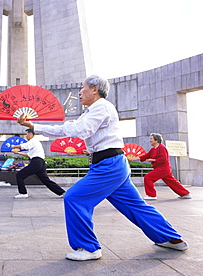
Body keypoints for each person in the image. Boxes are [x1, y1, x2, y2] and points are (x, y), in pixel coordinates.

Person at [16, 74, 188, 261]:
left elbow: (81, 131)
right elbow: (66, 130)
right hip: (110, 164)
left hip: (109, 165)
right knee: (134, 205)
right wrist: (33, 125)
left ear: (94, 90)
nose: (79, 93)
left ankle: (89, 248)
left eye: (82, 89)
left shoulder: (101, 107)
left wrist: (68, 126)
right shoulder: (91, 111)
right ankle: (171, 239)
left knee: (74, 198)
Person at [133, 133, 191, 200]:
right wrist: (134, 158)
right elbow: (146, 156)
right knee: (171, 182)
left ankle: (152, 195)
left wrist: (153, 160)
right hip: (162, 169)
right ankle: (185, 194)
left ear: (156, 140)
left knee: (148, 178)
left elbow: (163, 159)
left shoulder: (162, 148)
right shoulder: (153, 149)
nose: (150, 140)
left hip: (163, 168)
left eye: (151, 139)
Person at [11, 128, 65, 199]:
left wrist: (14, 146)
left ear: (31, 134)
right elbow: (29, 154)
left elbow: (25, 146)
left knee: (19, 175)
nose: (26, 136)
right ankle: (62, 192)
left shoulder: (34, 140)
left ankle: (23, 193)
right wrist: (18, 153)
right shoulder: (35, 143)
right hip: (40, 163)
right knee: (46, 180)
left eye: (26, 134)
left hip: (36, 162)